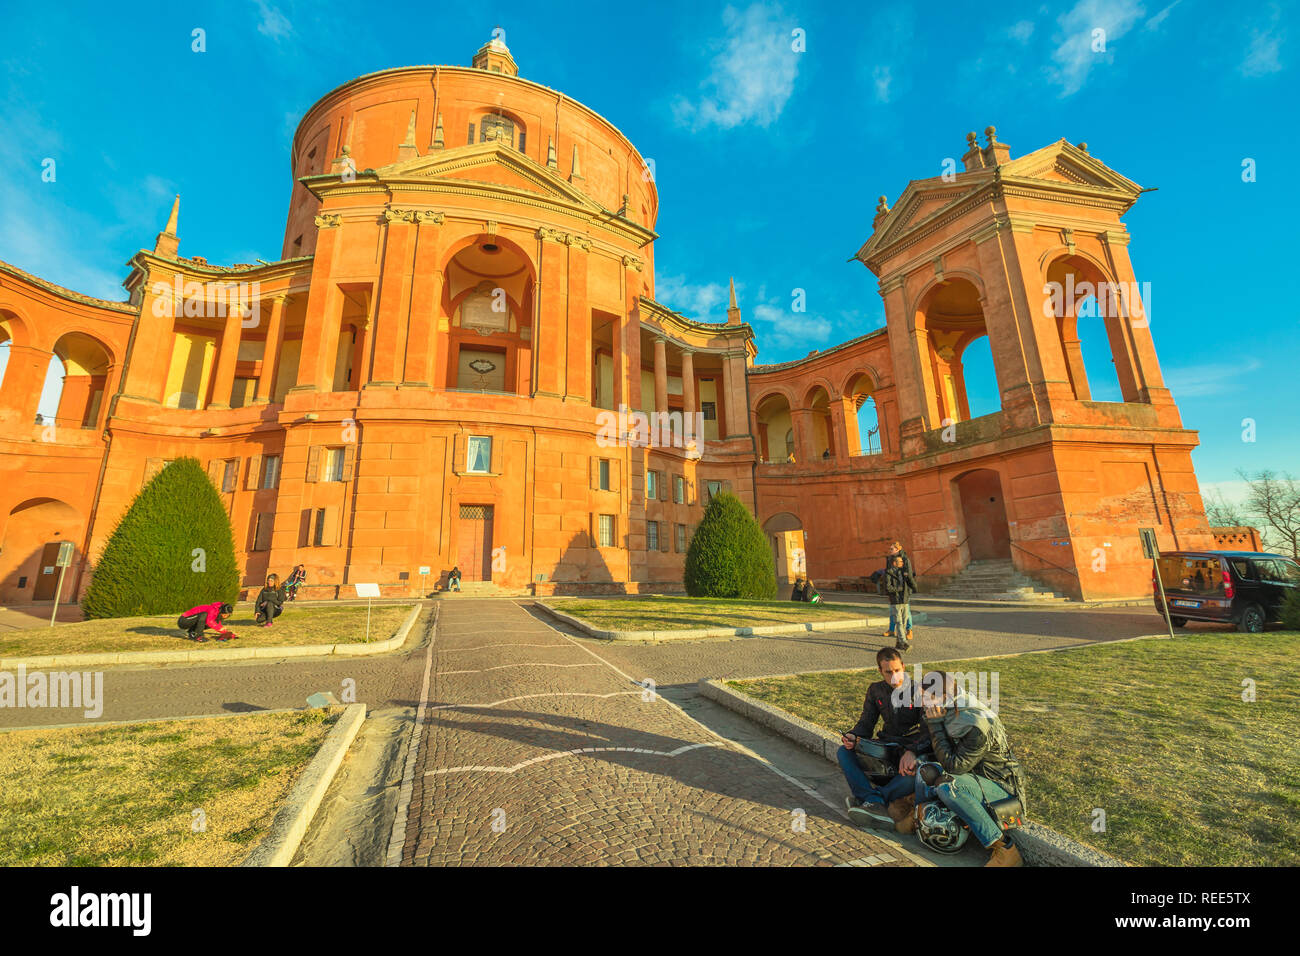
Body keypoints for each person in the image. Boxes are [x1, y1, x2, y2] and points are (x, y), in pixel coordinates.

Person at [911, 671, 1027, 867]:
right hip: (973, 777)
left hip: (1000, 786)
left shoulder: (975, 723)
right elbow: (937, 753)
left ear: (945, 698)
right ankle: (919, 819)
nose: (923, 705)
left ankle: (1005, 849)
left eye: (927, 699)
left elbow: (954, 767)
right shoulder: (950, 710)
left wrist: (935, 726)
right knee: (926, 770)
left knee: (949, 786)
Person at [839, 646, 929, 829]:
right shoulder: (875, 690)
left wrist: (912, 751)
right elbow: (866, 723)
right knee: (843, 752)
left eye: (897, 670)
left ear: (903, 666)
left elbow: (928, 731)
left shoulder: (919, 690)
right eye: (888, 672)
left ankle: (869, 800)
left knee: (916, 776)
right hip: (885, 747)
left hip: (910, 749)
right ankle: (874, 801)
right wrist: (853, 735)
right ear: (880, 671)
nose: (894, 676)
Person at [884, 554, 917, 650]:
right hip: (896, 601)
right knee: (898, 622)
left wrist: (908, 592)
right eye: (900, 562)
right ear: (895, 563)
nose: (902, 563)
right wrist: (899, 589)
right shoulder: (888, 573)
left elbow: (909, 580)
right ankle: (904, 642)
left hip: (905, 600)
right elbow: (888, 588)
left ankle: (899, 643)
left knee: (903, 622)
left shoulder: (903, 572)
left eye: (902, 562)